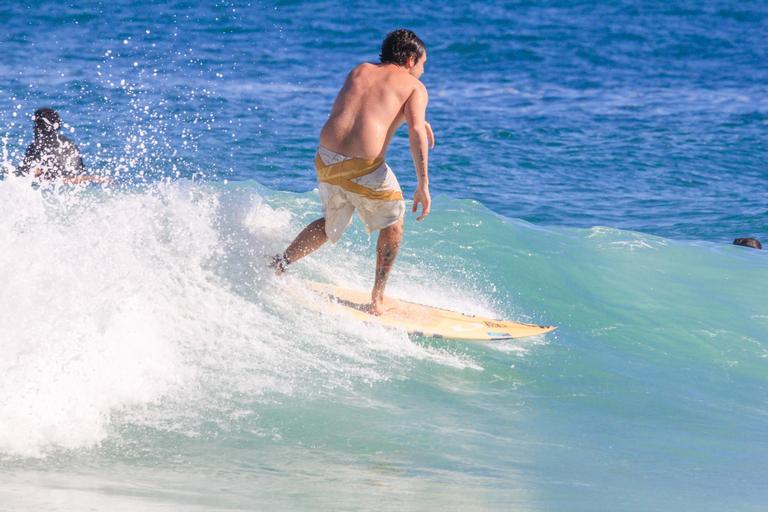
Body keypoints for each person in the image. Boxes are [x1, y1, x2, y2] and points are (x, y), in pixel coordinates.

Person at [271, 29, 434, 315]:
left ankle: (279, 266)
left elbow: (365, 110)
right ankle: (377, 299)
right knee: (394, 222)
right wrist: (423, 184)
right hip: (362, 167)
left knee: (330, 221)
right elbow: (416, 132)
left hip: (325, 160)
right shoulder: (414, 87)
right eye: (422, 65)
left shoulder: (359, 71)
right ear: (410, 60)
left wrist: (415, 120)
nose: (422, 71)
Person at [16, 108, 102, 184]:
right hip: (77, 181)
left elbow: (24, 173)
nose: (34, 128)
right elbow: (80, 172)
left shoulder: (36, 145)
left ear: (39, 126)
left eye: (36, 124)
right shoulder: (69, 144)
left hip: (55, 183)